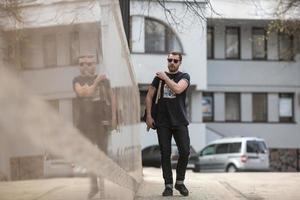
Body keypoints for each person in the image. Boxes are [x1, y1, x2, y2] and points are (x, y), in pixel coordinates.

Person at [145, 52, 190, 197]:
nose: (172, 63)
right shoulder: (158, 79)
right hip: (162, 122)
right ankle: (168, 185)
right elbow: (149, 96)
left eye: (175, 61)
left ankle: (180, 182)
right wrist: (149, 116)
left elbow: (177, 89)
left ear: (179, 63)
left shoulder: (184, 77)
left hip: (179, 121)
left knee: (185, 151)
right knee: (165, 154)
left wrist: (165, 78)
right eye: (170, 60)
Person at [73, 54, 116, 200]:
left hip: (101, 124)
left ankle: (103, 188)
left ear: (95, 65)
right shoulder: (77, 80)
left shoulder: (105, 81)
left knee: (102, 156)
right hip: (85, 125)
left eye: (89, 63)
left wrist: (114, 118)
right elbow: (84, 92)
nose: (86, 66)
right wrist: (96, 82)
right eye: (82, 64)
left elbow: (112, 98)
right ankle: (94, 185)